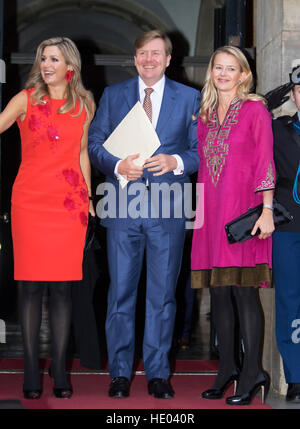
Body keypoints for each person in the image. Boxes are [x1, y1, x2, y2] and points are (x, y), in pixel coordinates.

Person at [88, 29, 201, 399]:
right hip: (122, 206)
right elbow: (94, 145)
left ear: (169, 59)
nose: (148, 60)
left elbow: (201, 151)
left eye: (156, 53)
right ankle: (119, 373)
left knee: (163, 296)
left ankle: (157, 373)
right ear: (134, 58)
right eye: (142, 54)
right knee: (120, 293)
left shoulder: (190, 97)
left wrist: (178, 161)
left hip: (169, 208)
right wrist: (118, 165)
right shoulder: (114, 95)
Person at [0, 37, 95, 399]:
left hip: (68, 205)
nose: (46, 65)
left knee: (62, 290)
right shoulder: (25, 99)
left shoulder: (83, 103)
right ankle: (29, 370)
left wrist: (87, 198)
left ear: (69, 64)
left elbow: (83, 153)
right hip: (29, 202)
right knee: (29, 288)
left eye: (53, 58)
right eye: (43, 59)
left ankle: (58, 369)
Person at [191, 46, 275, 406]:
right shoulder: (205, 115)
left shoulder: (256, 110)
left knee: (244, 292)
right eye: (218, 67)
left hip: (245, 212)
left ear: (243, 75)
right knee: (219, 293)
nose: (223, 73)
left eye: (231, 68)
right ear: (211, 72)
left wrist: (267, 210)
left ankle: (253, 371)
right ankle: (227, 368)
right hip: (210, 213)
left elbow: (264, 161)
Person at [272, 64, 300, 403]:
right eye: (298, 90)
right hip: (289, 226)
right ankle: (296, 375)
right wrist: (273, 97)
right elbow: (245, 114)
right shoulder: (278, 128)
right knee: (290, 302)